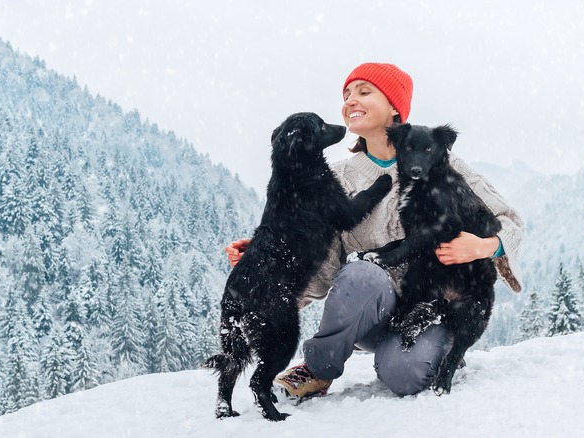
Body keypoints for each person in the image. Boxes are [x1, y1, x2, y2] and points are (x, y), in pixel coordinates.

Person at [224, 62, 524, 400]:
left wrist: (485, 247)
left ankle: (435, 349)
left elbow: (510, 220)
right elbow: (321, 262)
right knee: (361, 273)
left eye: (364, 92)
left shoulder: (442, 163)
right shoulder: (337, 178)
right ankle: (318, 369)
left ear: (395, 107)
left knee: (405, 374)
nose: (351, 100)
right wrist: (269, 260)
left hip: (429, 309)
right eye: (347, 94)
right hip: (369, 311)